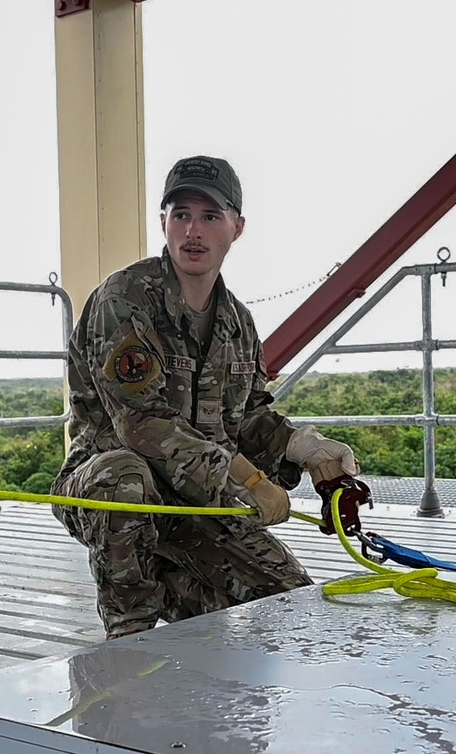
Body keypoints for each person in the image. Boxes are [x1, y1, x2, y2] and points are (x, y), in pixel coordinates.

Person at [51, 155, 371, 641]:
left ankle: (172, 583)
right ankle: (128, 635)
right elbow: (142, 427)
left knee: (290, 605)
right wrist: (247, 477)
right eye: (180, 215)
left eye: (209, 216)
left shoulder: (237, 322)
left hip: (201, 500)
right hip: (111, 487)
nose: (192, 231)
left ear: (236, 228)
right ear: (164, 223)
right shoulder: (124, 299)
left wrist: (304, 447)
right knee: (125, 478)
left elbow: (248, 417)